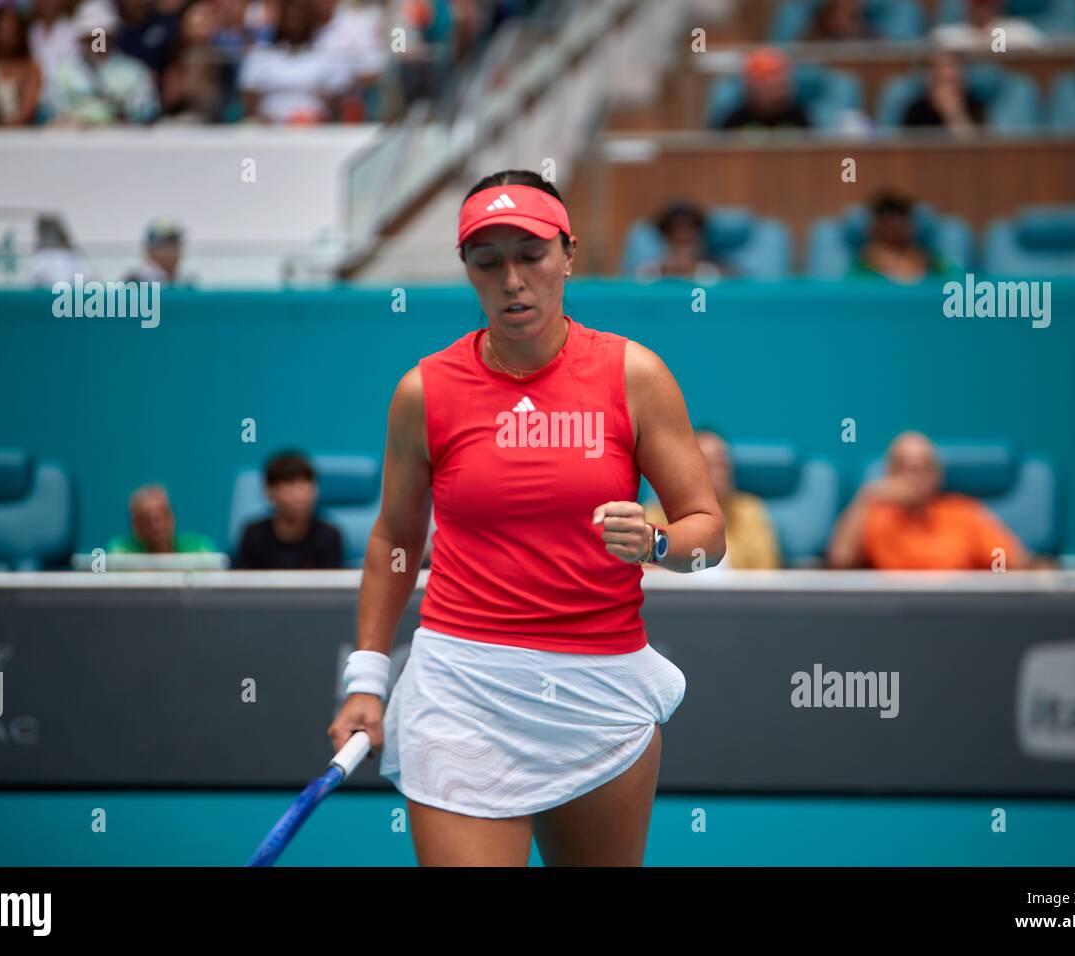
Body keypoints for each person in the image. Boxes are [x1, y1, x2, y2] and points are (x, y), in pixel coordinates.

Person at [326, 169, 726, 866]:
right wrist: (366, 680)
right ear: (469, 271)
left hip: (600, 684)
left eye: (532, 255)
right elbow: (395, 537)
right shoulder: (424, 392)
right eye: (489, 262)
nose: (512, 279)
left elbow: (709, 536)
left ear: (568, 254)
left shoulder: (634, 376)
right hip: (461, 685)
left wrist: (656, 542)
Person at [826, 431, 1038, 570]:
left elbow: (1013, 562)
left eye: (923, 468)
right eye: (904, 467)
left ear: (937, 475)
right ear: (889, 473)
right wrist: (867, 496)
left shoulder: (964, 514)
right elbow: (841, 561)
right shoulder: (875, 517)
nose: (913, 477)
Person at [645, 427, 781, 570]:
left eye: (723, 464)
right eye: (708, 463)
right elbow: (643, 569)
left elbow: (766, 569)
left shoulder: (749, 510)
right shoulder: (654, 514)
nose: (719, 472)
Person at [50, 0, 160, 124]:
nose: (98, 40)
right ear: (82, 38)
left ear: (113, 34)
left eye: (102, 34)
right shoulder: (65, 71)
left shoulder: (135, 72)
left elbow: (146, 111)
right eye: (92, 35)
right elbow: (51, 108)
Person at [238, 0, 348, 123]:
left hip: (317, 129)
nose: (294, 24)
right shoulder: (261, 55)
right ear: (280, 20)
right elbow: (250, 95)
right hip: (268, 129)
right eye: (289, 19)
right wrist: (263, 119)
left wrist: (317, 118)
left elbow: (336, 99)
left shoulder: (327, 56)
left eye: (300, 19)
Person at [234, 451, 344, 569]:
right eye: (290, 484)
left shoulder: (328, 537)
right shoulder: (253, 536)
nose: (301, 494)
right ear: (270, 491)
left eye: (306, 484)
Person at [851, 190, 951, 282]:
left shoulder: (930, 260)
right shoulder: (862, 265)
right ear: (874, 228)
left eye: (901, 224)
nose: (895, 230)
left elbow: (953, 279)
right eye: (888, 224)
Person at [718, 46, 810, 131]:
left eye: (782, 83)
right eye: (767, 83)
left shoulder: (798, 116)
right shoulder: (736, 119)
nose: (777, 89)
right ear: (752, 86)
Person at [107, 484, 217, 553]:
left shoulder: (199, 548)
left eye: (162, 516)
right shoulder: (121, 550)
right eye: (147, 521)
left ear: (172, 517)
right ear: (135, 526)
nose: (157, 527)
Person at [901, 48, 984, 134]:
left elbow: (975, 146)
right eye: (936, 67)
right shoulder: (915, 111)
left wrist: (954, 115)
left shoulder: (977, 106)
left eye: (951, 65)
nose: (946, 73)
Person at [636, 200, 724, 280]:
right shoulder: (648, 272)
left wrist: (695, 269)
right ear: (666, 235)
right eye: (676, 229)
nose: (683, 236)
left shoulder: (716, 270)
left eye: (690, 228)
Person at [932, 0, 1047, 52]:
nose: (982, 6)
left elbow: (1047, 55)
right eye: (977, 2)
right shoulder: (944, 35)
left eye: (986, 2)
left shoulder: (1021, 31)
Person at [124, 218, 192, 283]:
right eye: (163, 246)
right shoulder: (135, 281)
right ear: (149, 250)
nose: (169, 252)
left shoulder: (190, 281)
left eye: (173, 245)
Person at [805, 0, 875, 42]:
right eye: (835, 14)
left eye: (851, 17)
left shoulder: (870, 35)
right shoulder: (814, 37)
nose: (840, 21)